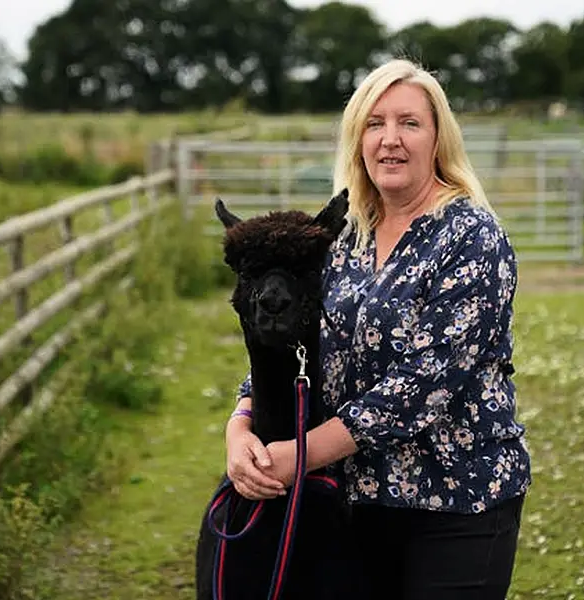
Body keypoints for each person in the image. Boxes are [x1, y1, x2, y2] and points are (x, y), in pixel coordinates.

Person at [224, 58, 531, 600]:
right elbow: (295, 341)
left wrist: (302, 452)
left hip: (456, 505)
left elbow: (423, 386)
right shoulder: (345, 239)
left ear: (438, 138)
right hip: (355, 503)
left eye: (409, 123)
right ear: (357, 139)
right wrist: (241, 424)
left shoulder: (471, 236)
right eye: (375, 123)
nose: (391, 140)